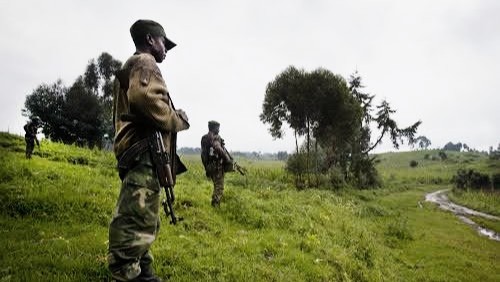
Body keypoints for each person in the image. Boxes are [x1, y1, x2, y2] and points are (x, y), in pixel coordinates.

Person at [108, 19, 189, 282]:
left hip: (139, 153)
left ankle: (144, 272)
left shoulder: (132, 66)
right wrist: (176, 118)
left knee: (144, 217)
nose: (166, 48)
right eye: (164, 42)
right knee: (135, 220)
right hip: (144, 154)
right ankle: (129, 275)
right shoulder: (145, 62)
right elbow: (144, 99)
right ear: (150, 40)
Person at [201, 121, 233, 207]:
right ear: (214, 128)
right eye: (218, 128)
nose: (219, 130)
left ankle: (214, 204)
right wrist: (227, 159)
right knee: (219, 187)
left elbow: (203, 154)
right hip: (217, 166)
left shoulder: (204, 138)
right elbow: (217, 148)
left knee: (216, 185)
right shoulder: (215, 137)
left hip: (209, 166)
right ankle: (215, 205)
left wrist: (206, 167)